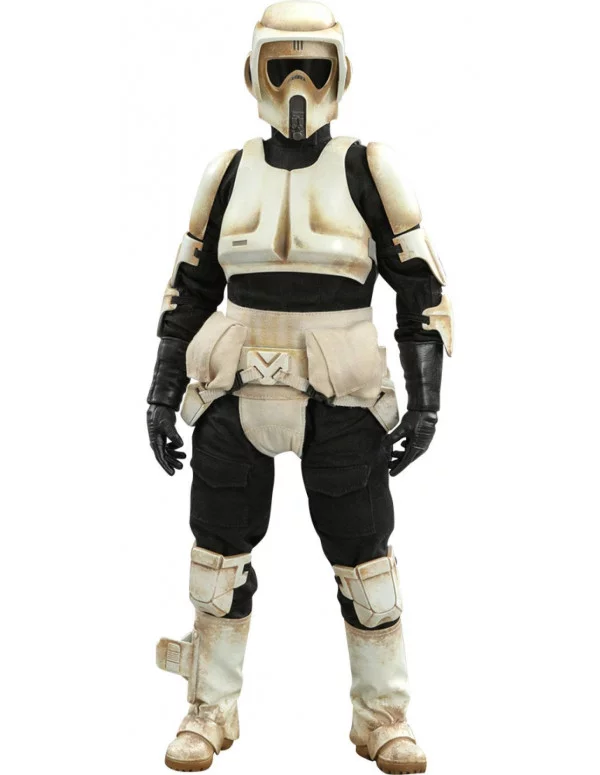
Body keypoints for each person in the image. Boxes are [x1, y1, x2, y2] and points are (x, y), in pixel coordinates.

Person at [147, 3, 453, 772]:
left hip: (340, 395)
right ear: (254, 71)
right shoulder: (226, 172)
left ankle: (383, 717)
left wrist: (427, 401)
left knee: (366, 567)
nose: (296, 84)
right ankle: (210, 709)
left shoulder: (369, 169)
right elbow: (189, 288)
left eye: (312, 67)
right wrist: (160, 394)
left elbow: (421, 290)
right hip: (231, 386)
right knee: (216, 561)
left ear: (339, 74)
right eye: (280, 64)